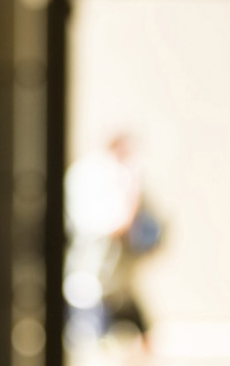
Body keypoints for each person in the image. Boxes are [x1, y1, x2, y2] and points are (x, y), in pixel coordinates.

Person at [64, 134, 151, 348]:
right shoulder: (97, 173)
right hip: (93, 255)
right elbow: (101, 219)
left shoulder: (114, 173)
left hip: (108, 259)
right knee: (88, 301)